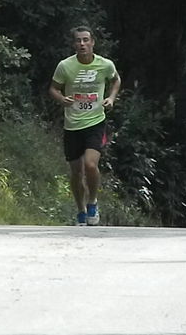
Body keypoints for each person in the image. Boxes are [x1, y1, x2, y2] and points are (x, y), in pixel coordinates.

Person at [49, 26, 121, 226]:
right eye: (78, 40)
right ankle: (80, 209)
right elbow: (53, 88)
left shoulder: (105, 65)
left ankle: (92, 202)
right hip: (72, 124)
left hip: (95, 122)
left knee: (90, 165)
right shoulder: (65, 66)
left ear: (92, 43)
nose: (82, 44)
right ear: (74, 44)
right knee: (76, 172)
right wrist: (62, 99)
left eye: (85, 40)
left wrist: (111, 98)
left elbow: (116, 81)